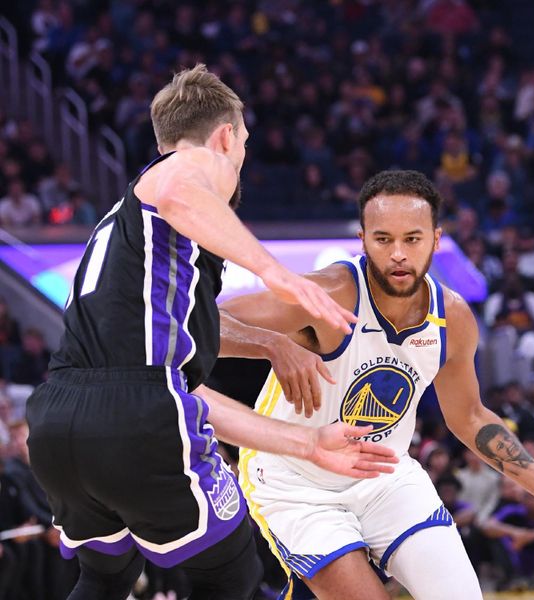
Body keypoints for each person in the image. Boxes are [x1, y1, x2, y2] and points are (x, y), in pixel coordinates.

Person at [24, 65, 397, 600]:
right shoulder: (181, 170)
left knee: (105, 577)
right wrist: (276, 273)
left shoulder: (128, 238)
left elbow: (181, 390)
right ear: (226, 136)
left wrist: (302, 424)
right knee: (232, 576)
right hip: (133, 414)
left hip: (59, 423)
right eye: (243, 142)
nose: (241, 156)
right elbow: (181, 183)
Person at [222, 170, 534, 600]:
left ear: (436, 240)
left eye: (412, 239)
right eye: (383, 240)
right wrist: (272, 345)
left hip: (385, 475)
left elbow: (471, 417)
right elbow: (201, 323)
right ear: (363, 240)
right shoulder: (328, 295)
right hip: (295, 481)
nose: (398, 254)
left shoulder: (451, 318)